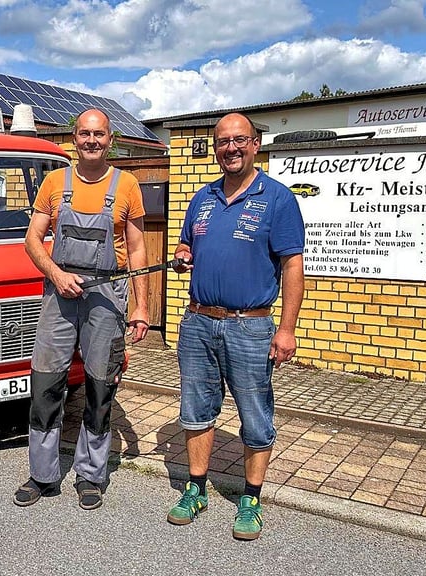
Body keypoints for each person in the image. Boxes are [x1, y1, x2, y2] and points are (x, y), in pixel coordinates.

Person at [166, 113, 305, 540]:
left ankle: (251, 499)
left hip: (250, 326)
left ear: (255, 144)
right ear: (216, 148)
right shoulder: (202, 198)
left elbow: (292, 265)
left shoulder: (278, 198)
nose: (231, 148)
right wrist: (183, 253)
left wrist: (287, 328)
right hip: (198, 323)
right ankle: (195, 489)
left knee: (255, 415)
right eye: (223, 141)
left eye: (239, 140)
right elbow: (187, 243)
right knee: (195, 411)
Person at [13, 108, 149, 510]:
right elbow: (32, 239)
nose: (92, 140)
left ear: (111, 140)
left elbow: (138, 249)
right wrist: (56, 274)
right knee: (46, 384)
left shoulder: (127, 185)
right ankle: (42, 474)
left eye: (99, 134)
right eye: (85, 134)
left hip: (106, 296)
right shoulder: (55, 182)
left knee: (100, 386)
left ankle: (90, 474)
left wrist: (142, 306)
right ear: (75, 138)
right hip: (60, 294)